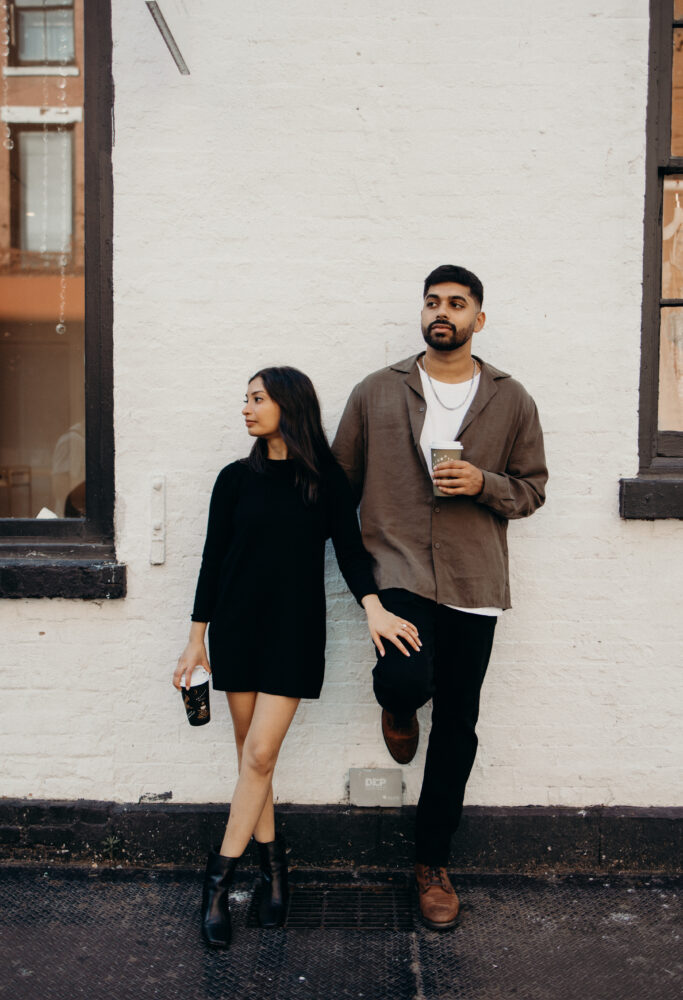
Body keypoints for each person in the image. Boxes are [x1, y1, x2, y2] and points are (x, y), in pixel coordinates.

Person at [173, 366, 420, 949]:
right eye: (246, 398)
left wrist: (374, 608)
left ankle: (217, 883)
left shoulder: (325, 481)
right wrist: (195, 638)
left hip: (293, 633)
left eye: (257, 398)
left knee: (258, 755)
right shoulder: (234, 479)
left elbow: (352, 554)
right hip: (236, 628)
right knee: (249, 761)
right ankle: (276, 874)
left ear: (288, 403)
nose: (246, 408)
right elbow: (214, 560)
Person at [332, 265, 547, 930]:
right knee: (403, 675)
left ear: (478, 318)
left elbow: (532, 489)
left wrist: (482, 482)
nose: (441, 313)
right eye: (432, 302)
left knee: (457, 724)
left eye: (456, 304)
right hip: (397, 567)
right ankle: (398, 708)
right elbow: (340, 490)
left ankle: (431, 864)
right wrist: (362, 589)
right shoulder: (376, 392)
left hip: (473, 579)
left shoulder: (511, 400)